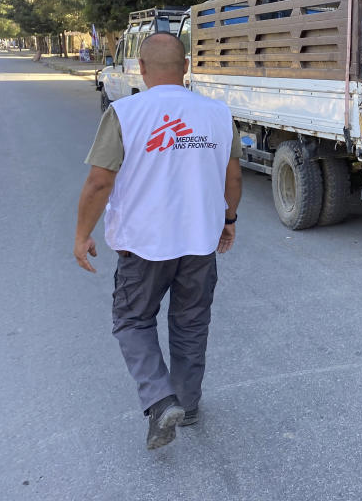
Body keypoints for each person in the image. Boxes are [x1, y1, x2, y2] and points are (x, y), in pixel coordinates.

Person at [73, 32, 243, 450]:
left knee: (132, 320)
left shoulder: (126, 113)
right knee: (190, 323)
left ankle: (161, 399)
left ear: (142, 68)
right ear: (185, 67)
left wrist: (82, 235)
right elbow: (233, 176)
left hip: (142, 244)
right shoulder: (218, 114)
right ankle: (187, 401)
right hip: (200, 243)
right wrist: (229, 220)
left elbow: (99, 182)